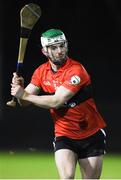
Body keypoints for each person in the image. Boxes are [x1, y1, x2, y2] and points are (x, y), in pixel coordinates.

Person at [11, 28, 106, 179]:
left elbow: (57, 101)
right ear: (44, 51)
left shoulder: (76, 70)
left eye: (62, 45)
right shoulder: (41, 72)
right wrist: (21, 91)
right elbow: (24, 103)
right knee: (67, 177)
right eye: (54, 48)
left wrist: (24, 94)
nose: (60, 51)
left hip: (91, 135)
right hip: (64, 135)